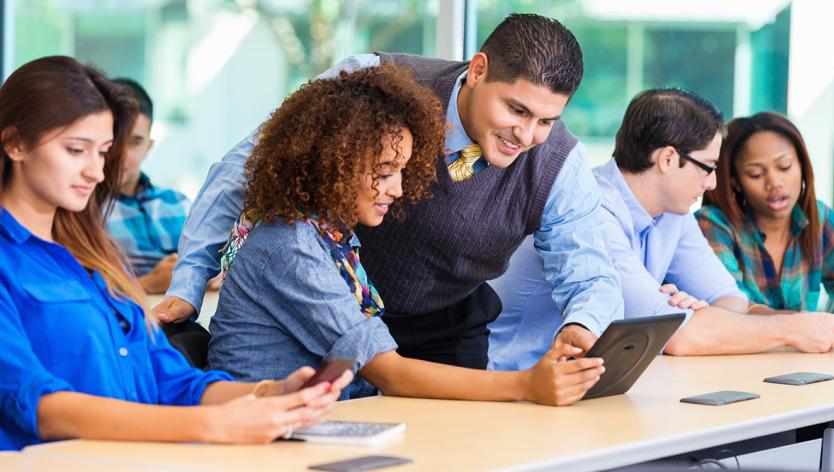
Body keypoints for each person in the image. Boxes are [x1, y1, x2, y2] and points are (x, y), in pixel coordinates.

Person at [158, 14, 622, 373]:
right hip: (326, 309)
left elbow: (591, 276)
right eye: (516, 109)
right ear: (479, 70)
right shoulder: (377, 82)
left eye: (546, 120)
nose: (526, 135)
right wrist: (190, 282)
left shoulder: (561, 164)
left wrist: (583, 326)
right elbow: (247, 167)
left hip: (445, 326)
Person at [0, 56, 350, 451]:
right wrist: (211, 425)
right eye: (76, 150)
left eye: (102, 153)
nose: (96, 173)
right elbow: (38, 406)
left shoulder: (98, 261)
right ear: (15, 142)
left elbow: (170, 381)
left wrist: (271, 393)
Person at [207, 64, 604, 406]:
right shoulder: (290, 248)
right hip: (264, 437)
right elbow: (389, 374)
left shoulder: (332, 239)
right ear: (330, 165)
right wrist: (525, 384)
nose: (396, 190)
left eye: (400, 171)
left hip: (325, 423)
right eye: (382, 173)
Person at [488, 88, 834, 370]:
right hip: (517, 383)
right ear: (668, 159)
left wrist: (703, 315)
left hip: (592, 384)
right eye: (708, 168)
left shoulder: (673, 214)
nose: (711, 184)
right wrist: (792, 328)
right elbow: (677, 338)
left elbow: (731, 301)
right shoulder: (590, 209)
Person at [697, 112, 834, 314]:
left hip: (808, 345)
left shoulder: (819, 219)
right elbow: (730, 311)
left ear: (802, 166)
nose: (775, 183)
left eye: (784, 167)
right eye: (756, 174)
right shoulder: (713, 224)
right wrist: (808, 326)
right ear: (735, 182)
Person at [105, 78, 190, 294]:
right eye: (114, 140)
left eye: (135, 142)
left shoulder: (178, 203)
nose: (122, 155)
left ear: (149, 146)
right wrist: (149, 283)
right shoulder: (84, 210)